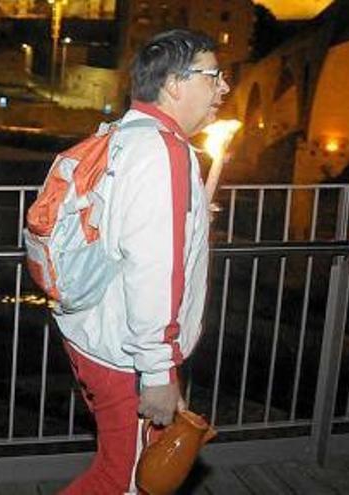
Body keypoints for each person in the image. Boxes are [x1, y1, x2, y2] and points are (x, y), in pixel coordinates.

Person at [54, 29, 229, 494]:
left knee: (132, 471)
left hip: (96, 333)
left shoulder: (120, 136)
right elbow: (152, 269)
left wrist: (187, 218)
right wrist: (157, 372)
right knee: (125, 481)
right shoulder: (164, 153)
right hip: (126, 353)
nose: (224, 89)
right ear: (175, 83)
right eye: (214, 77)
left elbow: (121, 230)